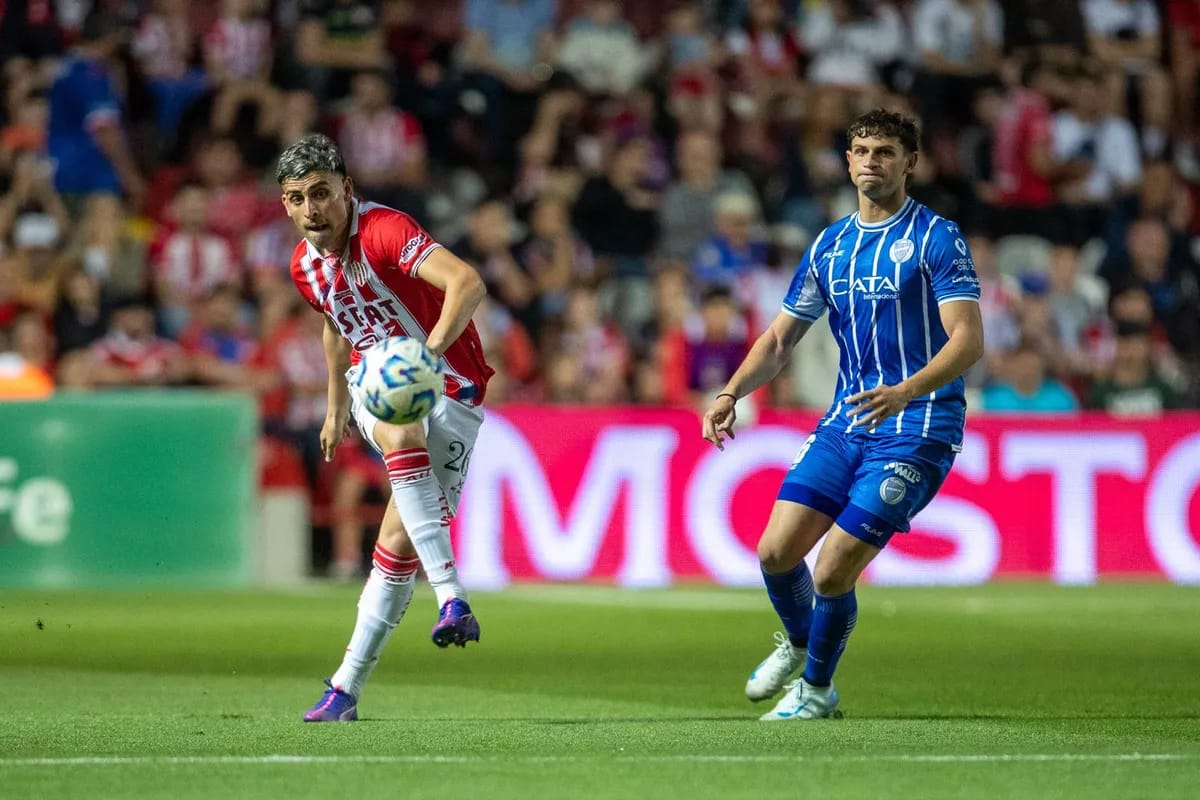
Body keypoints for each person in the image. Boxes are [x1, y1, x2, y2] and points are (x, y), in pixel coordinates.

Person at [701, 109, 985, 721]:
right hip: (845, 422)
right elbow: (780, 339)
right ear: (848, 161)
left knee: (832, 568)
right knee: (776, 553)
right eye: (861, 151)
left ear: (911, 161)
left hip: (918, 425)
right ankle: (802, 641)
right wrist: (731, 393)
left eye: (885, 151)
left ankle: (817, 691)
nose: (871, 162)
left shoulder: (938, 238)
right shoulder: (831, 244)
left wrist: (907, 390)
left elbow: (967, 341)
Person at [276, 133, 494, 723]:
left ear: (346, 189)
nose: (310, 210)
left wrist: (427, 354)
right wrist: (334, 406)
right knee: (400, 427)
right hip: (380, 382)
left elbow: (467, 283)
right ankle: (453, 596)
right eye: (296, 199)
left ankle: (344, 690)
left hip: (454, 389)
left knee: (396, 548)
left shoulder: (385, 231)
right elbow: (335, 323)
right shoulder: (303, 265)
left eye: (320, 193)